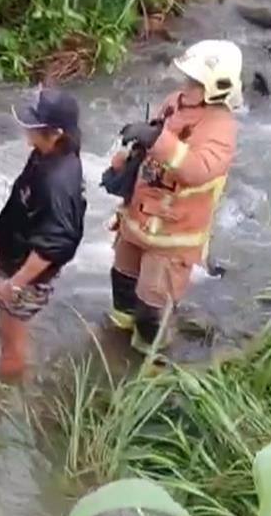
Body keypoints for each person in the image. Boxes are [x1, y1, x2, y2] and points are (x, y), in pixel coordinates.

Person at [104, 39, 243, 350]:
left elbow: (197, 169)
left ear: (216, 87)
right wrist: (124, 166)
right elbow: (152, 147)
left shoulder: (220, 127)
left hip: (172, 234)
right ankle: (113, 345)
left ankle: (149, 366)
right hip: (139, 218)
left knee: (151, 309)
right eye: (188, 79)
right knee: (122, 284)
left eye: (195, 82)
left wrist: (158, 140)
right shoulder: (174, 103)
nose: (187, 86)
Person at [0, 88, 86, 379]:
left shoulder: (59, 183)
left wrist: (15, 284)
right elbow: (20, 198)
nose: (26, 128)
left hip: (29, 270)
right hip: (12, 246)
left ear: (54, 133)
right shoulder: (44, 154)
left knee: (10, 341)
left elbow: (56, 245)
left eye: (33, 125)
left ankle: (2, 391)